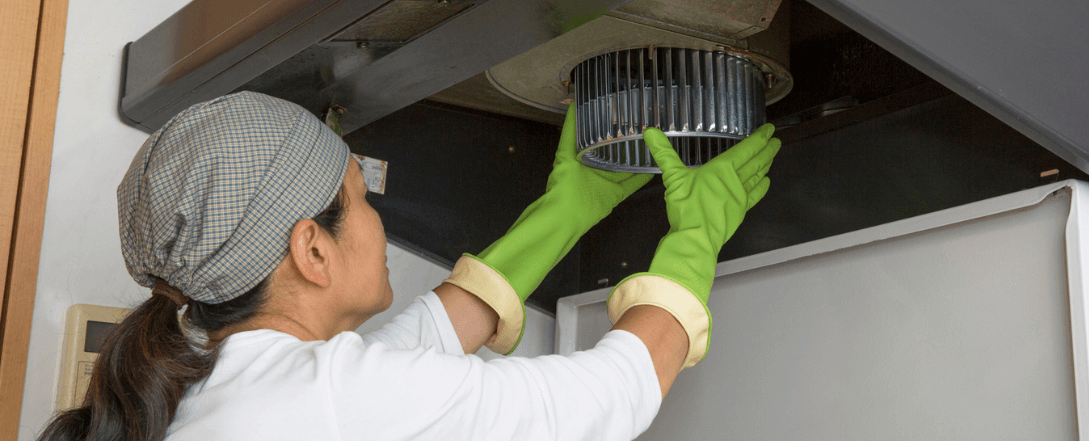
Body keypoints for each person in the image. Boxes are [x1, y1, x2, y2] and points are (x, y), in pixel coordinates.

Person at [37, 91, 779, 441]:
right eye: (362, 200)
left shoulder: (226, 393)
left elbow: (408, 353)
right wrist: (694, 240)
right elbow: (605, 397)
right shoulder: (321, 399)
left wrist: (565, 212)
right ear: (312, 249)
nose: (378, 221)